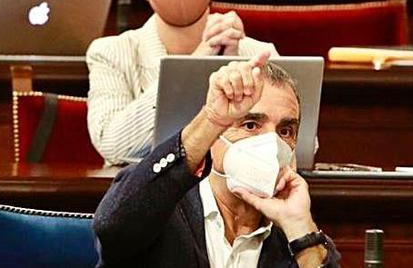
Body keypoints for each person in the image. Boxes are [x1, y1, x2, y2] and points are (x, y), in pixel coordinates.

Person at [93, 52, 341, 267]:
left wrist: (299, 228)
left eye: (285, 131)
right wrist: (210, 118)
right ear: (215, 136)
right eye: (251, 124)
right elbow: (111, 226)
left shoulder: (299, 239)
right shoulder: (162, 213)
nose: (271, 144)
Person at [87, 0, 276, 165]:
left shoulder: (258, 54)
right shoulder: (111, 53)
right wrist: (195, 64)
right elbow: (113, 145)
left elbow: (293, 144)